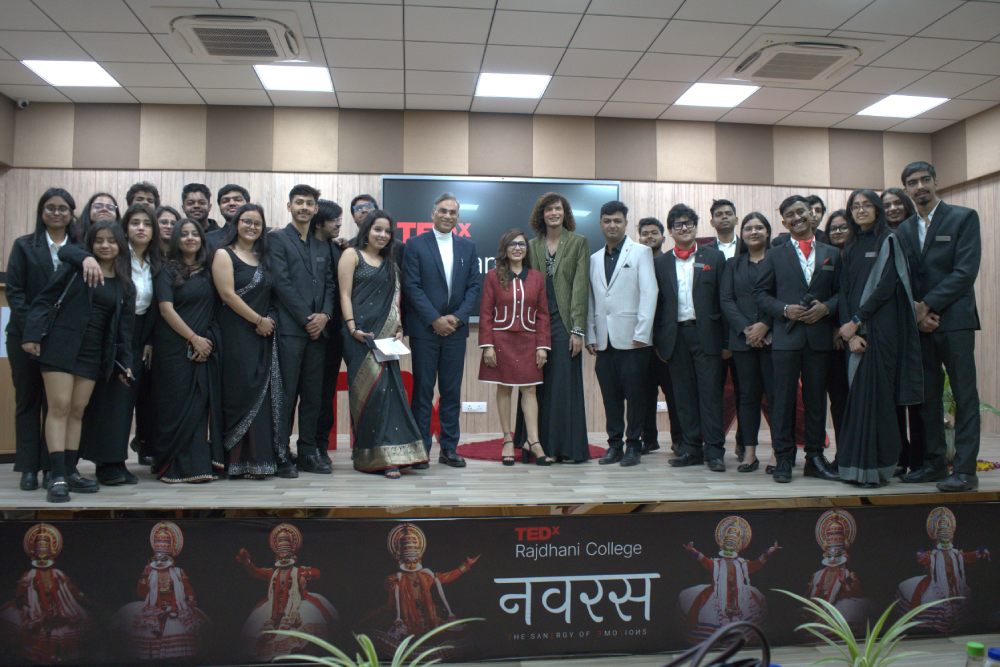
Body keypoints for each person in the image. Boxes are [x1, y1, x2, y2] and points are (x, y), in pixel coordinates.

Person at [22, 220, 135, 502]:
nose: (105, 245)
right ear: (90, 244)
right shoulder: (76, 266)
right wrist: (32, 335)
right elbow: (45, 299)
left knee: (77, 410)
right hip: (61, 346)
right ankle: (56, 475)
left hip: (93, 354)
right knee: (59, 408)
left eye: (111, 240)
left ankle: (70, 471)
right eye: (99, 240)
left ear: (120, 245)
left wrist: (125, 362)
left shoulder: (125, 285)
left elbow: (124, 331)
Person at [895, 161, 982, 492]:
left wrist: (926, 305)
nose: (920, 187)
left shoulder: (962, 218)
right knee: (928, 397)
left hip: (955, 321)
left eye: (925, 180)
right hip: (922, 326)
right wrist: (917, 314)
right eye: (912, 183)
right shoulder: (903, 230)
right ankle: (933, 464)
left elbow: (964, 272)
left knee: (964, 395)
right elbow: (904, 278)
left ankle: (965, 470)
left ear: (935, 182)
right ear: (906, 190)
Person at [61, 204, 162, 486]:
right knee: (113, 402)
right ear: (124, 229)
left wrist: (150, 339)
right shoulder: (115, 255)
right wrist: (85, 259)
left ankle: (116, 461)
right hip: (113, 333)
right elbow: (68, 251)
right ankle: (107, 464)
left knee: (127, 401)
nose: (141, 228)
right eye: (135, 223)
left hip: (142, 336)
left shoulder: (155, 261)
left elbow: (157, 304)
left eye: (147, 223)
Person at [835, 189, 922, 488]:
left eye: (866, 205)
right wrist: (849, 331)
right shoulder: (849, 245)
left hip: (880, 332)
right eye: (855, 206)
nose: (860, 211)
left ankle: (878, 468)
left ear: (877, 210)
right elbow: (844, 292)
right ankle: (853, 467)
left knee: (878, 401)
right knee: (857, 400)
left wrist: (858, 321)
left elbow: (886, 287)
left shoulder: (889, 240)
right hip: (854, 334)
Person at [753, 195, 840, 484]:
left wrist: (827, 308)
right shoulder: (775, 254)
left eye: (801, 212)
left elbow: (844, 293)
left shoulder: (832, 253)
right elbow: (761, 295)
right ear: (783, 222)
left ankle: (815, 457)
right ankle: (784, 458)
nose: (796, 217)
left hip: (819, 339)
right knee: (783, 402)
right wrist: (785, 310)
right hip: (786, 340)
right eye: (789, 215)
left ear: (812, 215)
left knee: (817, 401)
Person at [340, 210, 428, 478]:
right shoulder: (351, 255)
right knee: (370, 394)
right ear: (366, 230)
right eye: (377, 229)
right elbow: (344, 294)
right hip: (359, 335)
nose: (383, 235)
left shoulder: (390, 262)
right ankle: (371, 456)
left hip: (387, 336)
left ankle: (395, 452)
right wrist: (352, 327)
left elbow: (395, 299)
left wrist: (399, 327)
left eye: (387, 231)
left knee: (391, 393)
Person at [402, 193, 481, 468]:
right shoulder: (414, 245)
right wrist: (435, 318)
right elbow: (412, 287)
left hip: (456, 332)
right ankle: (420, 451)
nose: (448, 216)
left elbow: (474, 288)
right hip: (425, 330)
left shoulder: (467, 247)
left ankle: (449, 449)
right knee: (423, 392)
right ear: (433, 213)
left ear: (458, 217)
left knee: (451, 392)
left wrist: (457, 319)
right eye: (443, 211)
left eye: (453, 213)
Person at [5, 189, 76, 491]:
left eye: (63, 208)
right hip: (25, 336)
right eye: (51, 208)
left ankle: (52, 466)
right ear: (41, 211)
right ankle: (28, 467)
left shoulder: (79, 249)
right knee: (28, 401)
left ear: (72, 213)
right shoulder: (24, 246)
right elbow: (16, 292)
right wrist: (34, 329)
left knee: (57, 405)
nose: (57, 213)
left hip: (63, 339)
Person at [212, 203, 290, 479]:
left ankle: (260, 460)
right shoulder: (224, 254)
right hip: (236, 333)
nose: (252, 227)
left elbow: (273, 294)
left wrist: (266, 321)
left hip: (263, 334)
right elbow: (228, 295)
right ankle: (236, 460)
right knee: (240, 390)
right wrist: (258, 320)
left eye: (257, 223)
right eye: (246, 221)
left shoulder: (263, 256)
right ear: (236, 223)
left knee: (263, 392)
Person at [517, 192, 591, 463]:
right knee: (534, 384)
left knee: (563, 384)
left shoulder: (578, 243)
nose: (553, 213)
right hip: (536, 322)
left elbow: (581, 287)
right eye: (548, 210)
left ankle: (565, 447)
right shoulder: (532, 244)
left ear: (565, 212)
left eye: (558, 209)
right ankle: (535, 443)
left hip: (565, 323)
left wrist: (578, 330)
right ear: (541, 215)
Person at [653, 204, 727, 472]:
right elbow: (656, 304)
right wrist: (659, 340)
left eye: (688, 223)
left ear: (696, 227)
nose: (684, 228)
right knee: (683, 397)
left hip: (707, 335)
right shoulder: (660, 263)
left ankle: (715, 451)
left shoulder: (714, 257)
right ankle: (691, 449)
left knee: (710, 396)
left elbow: (724, 299)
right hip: (675, 337)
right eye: (678, 225)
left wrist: (726, 342)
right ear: (670, 232)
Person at [269, 184, 336, 476]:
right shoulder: (277, 240)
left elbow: (331, 286)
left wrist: (325, 315)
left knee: (313, 395)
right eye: (299, 203)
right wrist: (307, 318)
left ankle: (308, 452)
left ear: (315, 209)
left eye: (309, 203)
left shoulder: (323, 245)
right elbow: (281, 283)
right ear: (289, 206)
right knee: (287, 393)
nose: (304, 208)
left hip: (319, 333)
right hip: (291, 331)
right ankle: (280, 452)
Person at [151, 219, 223, 483]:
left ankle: (197, 465)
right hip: (173, 347)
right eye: (185, 234)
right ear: (176, 240)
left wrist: (206, 342)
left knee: (199, 406)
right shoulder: (166, 270)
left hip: (205, 346)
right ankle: (172, 466)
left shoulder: (209, 271)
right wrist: (193, 338)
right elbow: (165, 309)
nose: (190, 238)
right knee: (176, 405)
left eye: (195, 234)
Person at [586, 200, 656, 467]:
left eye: (617, 220)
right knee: (610, 397)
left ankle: (633, 446)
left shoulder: (640, 253)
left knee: (635, 397)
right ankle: (613, 445)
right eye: (607, 221)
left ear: (626, 223)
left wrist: (643, 331)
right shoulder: (594, 259)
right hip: (604, 341)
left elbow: (650, 293)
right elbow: (592, 298)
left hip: (634, 339)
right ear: (601, 224)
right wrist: (591, 335)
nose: (611, 225)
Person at [479, 229, 551, 465]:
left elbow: (542, 315)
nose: (518, 248)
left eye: (521, 244)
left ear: (526, 249)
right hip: (501, 341)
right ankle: (507, 440)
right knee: (505, 388)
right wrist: (487, 345)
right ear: (505, 249)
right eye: (512, 244)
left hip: (529, 341)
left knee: (530, 390)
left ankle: (533, 440)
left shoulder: (537, 277)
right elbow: (486, 312)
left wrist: (542, 346)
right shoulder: (492, 275)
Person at [235, 524, 338, 661]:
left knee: (308, 627)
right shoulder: (271, 573)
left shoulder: (299, 570)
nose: (283, 558)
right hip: (273, 608)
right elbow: (256, 572)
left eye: (286, 555)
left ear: (292, 555)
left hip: (297, 605)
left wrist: (305, 575)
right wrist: (247, 563)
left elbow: (317, 572)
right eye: (281, 555)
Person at [720, 212, 773, 473]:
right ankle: (749, 453)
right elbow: (727, 300)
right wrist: (746, 329)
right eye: (749, 228)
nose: (754, 232)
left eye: (759, 227)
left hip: (775, 340)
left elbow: (785, 294)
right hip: (743, 342)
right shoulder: (733, 264)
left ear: (768, 232)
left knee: (776, 398)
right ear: (742, 234)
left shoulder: (780, 259)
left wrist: (765, 326)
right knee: (748, 398)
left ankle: (779, 453)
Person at [113, 521, 208, 660]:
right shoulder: (150, 573)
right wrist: (144, 576)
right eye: (156, 558)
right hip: (155, 607)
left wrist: (190, 600)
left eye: (163, 558)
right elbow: (141, 594)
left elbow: (187, 589)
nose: (159, 562)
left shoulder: (178, 572)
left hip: (176, 607)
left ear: (171, 559)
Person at [678, 516, 780, 642]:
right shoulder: (717, 563)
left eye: (733, 543)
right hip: (718, 595)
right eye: (727, 542)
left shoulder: (742, 564)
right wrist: (692, 551)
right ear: (722, 545)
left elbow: (756, 564)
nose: (729, 545)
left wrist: (768, 553)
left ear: (737, 546)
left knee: (757, 602)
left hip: (739, 595)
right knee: (699, 604)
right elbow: (704, 561)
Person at [0, 523, 91, 663]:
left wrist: (81, 597)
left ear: (51, 551)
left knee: (71, 628)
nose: (42, 553)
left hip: (59, 608)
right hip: (36, 609)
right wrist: (23, 602)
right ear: (34, 552)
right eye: (39, 549)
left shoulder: (58, 574)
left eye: (45, 549)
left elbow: (71, 588)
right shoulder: (29, 575)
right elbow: (21, 592)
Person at [881, 187, 925, 475]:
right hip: (888, 326)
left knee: (918, 396)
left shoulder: (915, 235)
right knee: (892, 396)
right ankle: (899, 455)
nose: (893, 208)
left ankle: (922, 459)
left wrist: (924, 309)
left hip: (921, 322)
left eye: (898, 203)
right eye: (887, 205)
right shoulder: (881, 238)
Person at [637, 216, 682, 453]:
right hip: (640, 340)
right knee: (644, 394)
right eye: (645, 233)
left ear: (663, 237)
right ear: (639, 238)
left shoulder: (670, 263)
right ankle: (648, 439)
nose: (649, 237)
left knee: (673, 393)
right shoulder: (634, 262)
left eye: (654, 232)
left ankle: (679, 439)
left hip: (667, 340)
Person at [705, 199, 744, 458]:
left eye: (729, 213)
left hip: (747, 331)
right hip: (715, 333)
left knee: (747, 392)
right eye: (719, 214)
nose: (724, 217)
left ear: (736, 219)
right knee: (714, 394)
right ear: (712, 222)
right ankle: (714, 445)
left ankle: (744, 442)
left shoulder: (751, 246)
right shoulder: (705, 251)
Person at [312, 200, 345, 464]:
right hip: (305, 330)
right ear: (320, 220)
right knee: (305, 394)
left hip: (334, 332)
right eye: (334, 219)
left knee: (325, 393)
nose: (339, 224)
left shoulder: (339, 250)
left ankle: (320, 446)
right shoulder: (302, 245)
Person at [206, 184, 250, 249]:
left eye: (237, 199)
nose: (231, 203)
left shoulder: (266, 236)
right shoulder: (208, 240)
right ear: (220, 207)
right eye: (225, 201)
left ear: (248, 204)